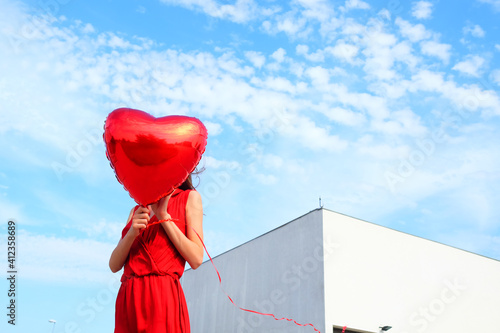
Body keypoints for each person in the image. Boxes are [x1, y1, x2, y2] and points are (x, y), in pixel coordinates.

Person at [109, 174, 204, 333]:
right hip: (128, 298)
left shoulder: (189, 197)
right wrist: (132, 232)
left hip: (160, 295)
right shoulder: (137, 209)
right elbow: (113, 265)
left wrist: (164, 217)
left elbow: (196, 258)